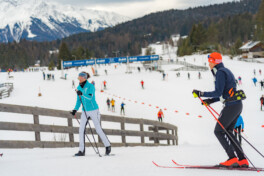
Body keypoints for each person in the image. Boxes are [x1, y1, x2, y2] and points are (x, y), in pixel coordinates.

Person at [192, 52, 248, 168]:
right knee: (228, 131)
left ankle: (232, 158)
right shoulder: (226, 71)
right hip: (237, 105)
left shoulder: (220, 73)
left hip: (231, 105)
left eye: (210, 61)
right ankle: (242, 160)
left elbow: (218, 92)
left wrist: (200, 93)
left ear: (214, 62)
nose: (208, 64)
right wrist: (210, 101)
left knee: (218, 131)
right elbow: (225, 93)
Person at [70, 72, 111, 156]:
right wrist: (75, 109)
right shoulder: (78, 87)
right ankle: (81, 150)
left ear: (84, 78)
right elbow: (79, 100)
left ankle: (107, 146)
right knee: (81, 130)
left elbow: (90, 97)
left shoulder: (90, 86)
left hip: (93, 110)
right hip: (84, 111)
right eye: (78, 78)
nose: (79, 79)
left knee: (98, 129)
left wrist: (82, 94)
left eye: (80, 78)